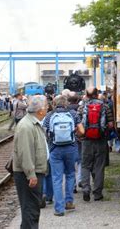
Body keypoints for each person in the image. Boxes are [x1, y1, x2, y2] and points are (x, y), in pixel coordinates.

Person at [43, 95, 84, 216]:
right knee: (70, 175)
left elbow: (44, 132)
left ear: (55, 104)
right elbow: (82, 131)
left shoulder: (49, 115)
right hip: (71, 149)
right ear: (66, 103)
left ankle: (59, 209)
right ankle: (69, 202)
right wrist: (73, 133)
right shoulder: (73, 114)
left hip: (55, 150)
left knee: (57, 178)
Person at [13, 95, 49, 229]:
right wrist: (31, 174)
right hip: (28, 175)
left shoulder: (32, 123)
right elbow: (25, 152)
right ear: (40, 110)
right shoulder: (26, 126)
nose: (47, 108)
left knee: (32, 210)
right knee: (30, 211)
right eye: (46, 106)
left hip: (34, 173)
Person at [80, 87, 113, 202]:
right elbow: (110, 125)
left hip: (86, 141)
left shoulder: (82, 107)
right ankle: (97, 193)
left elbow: (79, 125)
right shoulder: (105, 106)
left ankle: (85, 189)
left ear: (87, 95)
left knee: (85, 165)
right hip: (101, 140)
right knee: (99, 167)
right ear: (97, 94)